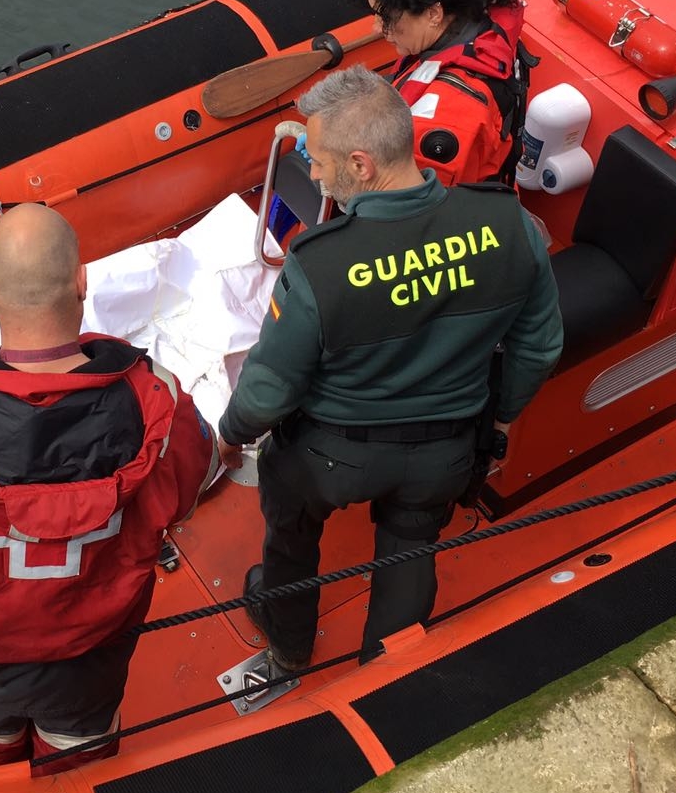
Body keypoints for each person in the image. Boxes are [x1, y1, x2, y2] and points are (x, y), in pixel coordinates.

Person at [0, 203, 218, 786]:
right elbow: (194, 486)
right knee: (79, 767)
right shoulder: (161, 406)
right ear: (81, 281)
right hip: (91, 652)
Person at [217, 68, 563, 669]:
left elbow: (270, 386)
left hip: (329, 457)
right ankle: (386, 670)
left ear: (360, 165)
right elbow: (538, 348)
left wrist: (232, 434)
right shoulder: (510, 225)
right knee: (410, 551)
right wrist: (501, 419)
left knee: (291, 533)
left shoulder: (320, 264)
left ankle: (290, 643)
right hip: (446, 450)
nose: (314, 172)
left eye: (319, 162)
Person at [346, 0, 532, 186]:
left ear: (433, 14)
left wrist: (333, 163)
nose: (377, 28)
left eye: (386, 16)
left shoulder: (449, 112)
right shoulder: (476, 25)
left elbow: (408, 199)